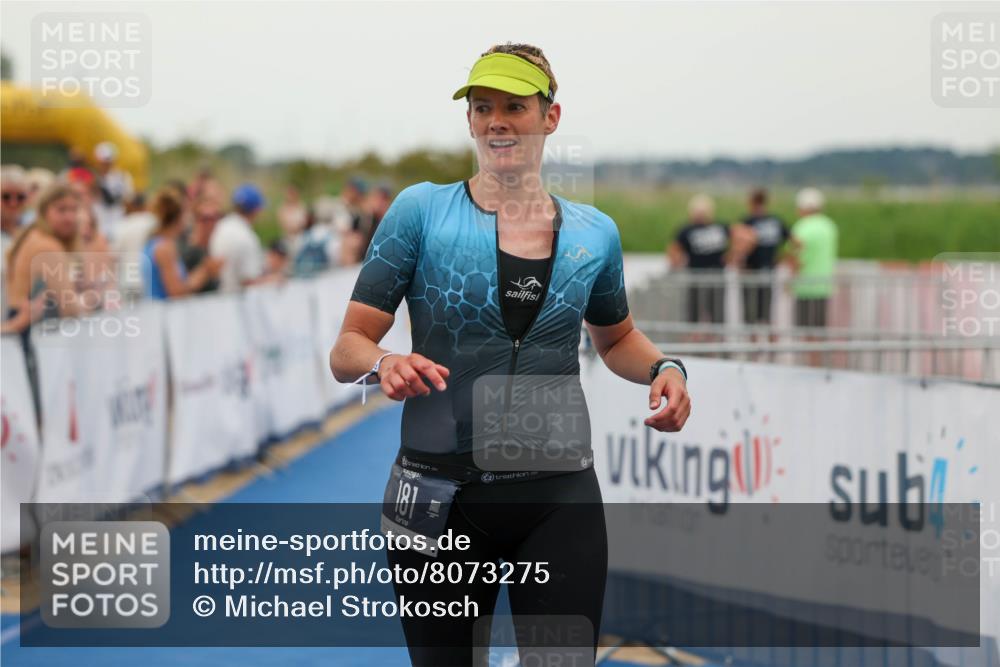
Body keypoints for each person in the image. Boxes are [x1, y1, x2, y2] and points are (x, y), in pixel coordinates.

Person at [330, 43, 690, 667]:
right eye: (482, 107)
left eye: (514, 107)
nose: (496, 120)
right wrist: (384, 362)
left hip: (557, 496)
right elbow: (346, 348)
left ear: (550, 118)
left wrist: (665, 368)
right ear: (469, 120)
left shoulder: (593, 232)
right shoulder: (420, 212)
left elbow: (617, 339)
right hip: (438, 493)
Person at [668, 194, 744, 326]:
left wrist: (732, 255)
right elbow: (673, 249)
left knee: (717, 313)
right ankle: (695, 338)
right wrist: (677, 262)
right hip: (696, 278)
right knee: (694, 312)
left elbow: (745, 236)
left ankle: (714, 339)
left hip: (716, 277)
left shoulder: (720, 227)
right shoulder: (687, 230)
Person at [142, 188, 222, 300]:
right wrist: (205, 272)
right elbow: (176, 293)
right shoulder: (164, 248)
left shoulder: (155, 242)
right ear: (179, 216)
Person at [734, 187, 791, 327]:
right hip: (769, 271)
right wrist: (781, 257)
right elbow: (795, 242)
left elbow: (740, 247)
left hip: (750, 272)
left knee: (750, 314)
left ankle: (753, 346)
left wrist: (738, 261)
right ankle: (770, 346)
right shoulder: (776, 221)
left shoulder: (747, 221)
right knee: (767, 312)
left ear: (751, 202)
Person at [789, 187, 838, 329]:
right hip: (824, 285)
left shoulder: (802, 226)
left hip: (805, 287)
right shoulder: (829, 225)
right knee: (819, 330)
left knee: (805, 331)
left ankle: (807, 352)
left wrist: (791, 280)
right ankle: (816, 352)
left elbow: (797, 257)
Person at [209, 183, 267, 293]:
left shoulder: (221, 225)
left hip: (220, 296)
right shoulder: (247, 237)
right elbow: (250, 281)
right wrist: (274, 281)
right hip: (237, 301)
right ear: (256, 210)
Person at [179, 194, 224, 293]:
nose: (210, 223)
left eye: (215, 217)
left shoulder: (218, 246)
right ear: (196, 220)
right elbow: (181, 289)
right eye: (205, 218)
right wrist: (205, 271)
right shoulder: (186, 250)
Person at [92, 141, 134, 241]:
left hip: (118, 223)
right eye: (103, 160)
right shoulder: (93, 178)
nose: (106, 163)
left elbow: (128, 200)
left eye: (108, 160)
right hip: (98, 225)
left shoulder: (123, 177)